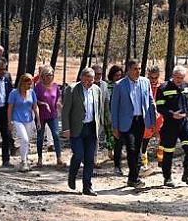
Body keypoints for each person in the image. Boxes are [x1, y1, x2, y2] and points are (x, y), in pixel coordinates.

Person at [110, 59, 156, 188]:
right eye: (135, 69)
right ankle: (135, 178)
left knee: (137, 149)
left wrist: (152, 121)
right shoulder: (119, 85)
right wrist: (115, 126)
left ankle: (132, 178)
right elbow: (114, 107)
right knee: (131, 149)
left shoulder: (145, 82)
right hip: (126, 122)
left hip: (140, 121)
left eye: (139, 69)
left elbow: (151, 102)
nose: (138, 71)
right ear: (128, 70)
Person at [155, 65, 188, 187]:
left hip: (185, 123)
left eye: (182, 78)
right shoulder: (163, 88)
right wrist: (171, 114)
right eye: (177, 77)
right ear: (172, 76)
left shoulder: (186, 87)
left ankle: (186, 175)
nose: (179, 80)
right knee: (168, 152)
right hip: (170, 125)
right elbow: (160, 107)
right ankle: (167, 178)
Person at [62, 67, 102, 196]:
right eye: (86, 80)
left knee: (90, 158)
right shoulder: (72, 89)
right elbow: (65, 111)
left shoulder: (97, 90)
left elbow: (99, 110)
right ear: (81, 78)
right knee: (79, 154)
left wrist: (100, 127)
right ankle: (72, 175)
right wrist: (66, 128)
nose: (88, 83)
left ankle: (87, 187)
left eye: (91, 80)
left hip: (91, 128)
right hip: (77, 128)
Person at [7, 73, 40, 172]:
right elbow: (10, 108)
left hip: (29, 120)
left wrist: (38, 120)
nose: (29, 86)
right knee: (24, 139)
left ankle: (24, 159)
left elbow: (35, 106)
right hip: (17, 120)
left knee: (26, 141)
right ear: (22, 83)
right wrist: (10, 122)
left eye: (31, 84)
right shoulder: (14, 93)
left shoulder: (32, 93)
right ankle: (24, 161)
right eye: (27, 84)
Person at [34, 65, 64, 167]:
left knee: (56, 135)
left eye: (51, 74)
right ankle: (40, 159)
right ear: (43, 76)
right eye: (48, 75)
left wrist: (59, 104)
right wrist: (43, 104)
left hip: (53, 114)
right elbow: (34, 101)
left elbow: (58, 98)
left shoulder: (56, 86)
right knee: (40, 137)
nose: (50, 76)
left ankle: (59, 158)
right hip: (41, 115)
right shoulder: (38, 87)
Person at [140, 65, 164, 167]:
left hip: (160, 116)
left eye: (156, 78)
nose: (153, 80)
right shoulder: (143, 86)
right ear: (148, 76)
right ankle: (143, 163)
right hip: (147, 116)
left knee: (162, 139)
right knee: (145, 139)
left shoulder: (162, 87)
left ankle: (161, 161)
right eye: (151, 78)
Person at [105, 65, 124, 175]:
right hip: (109, 113)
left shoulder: (123, 86)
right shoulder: (108, 86)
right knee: (110, 134)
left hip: (122, 117)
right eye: (116, 75)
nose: (118, 77)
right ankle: (110, 152)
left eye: (120, 75)